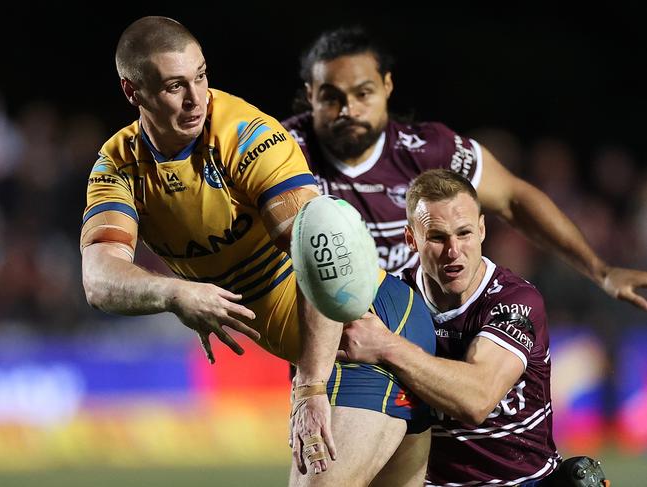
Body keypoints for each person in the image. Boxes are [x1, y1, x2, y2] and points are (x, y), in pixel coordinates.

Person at [79, 16, 436, 486]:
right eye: (174, 86)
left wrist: (310, 387)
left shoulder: (249, 137)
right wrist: (173, 294)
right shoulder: (119, 166)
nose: (195, 99)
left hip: (365, 333)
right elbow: (99, 276)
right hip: (322, 352)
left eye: (201, 76)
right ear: (133, 92)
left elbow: (318, 253)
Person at [282, 25, 647, 310]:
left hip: (419, 331)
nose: (349, 109)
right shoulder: (282, 151)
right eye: (332, 97)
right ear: (311, 94)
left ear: (387, 86)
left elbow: (513, 198)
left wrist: (600, 271)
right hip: (329, 340)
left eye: (363, 93)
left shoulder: (427, 150)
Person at [337, 169, 608, 486]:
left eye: (463, 233)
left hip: (523, 481)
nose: (453, 251)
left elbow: (477, 400)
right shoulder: (394, 298)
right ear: (412, 239)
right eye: (437, 237)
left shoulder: (516, 300)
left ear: (481, 229)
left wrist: (386, 346)